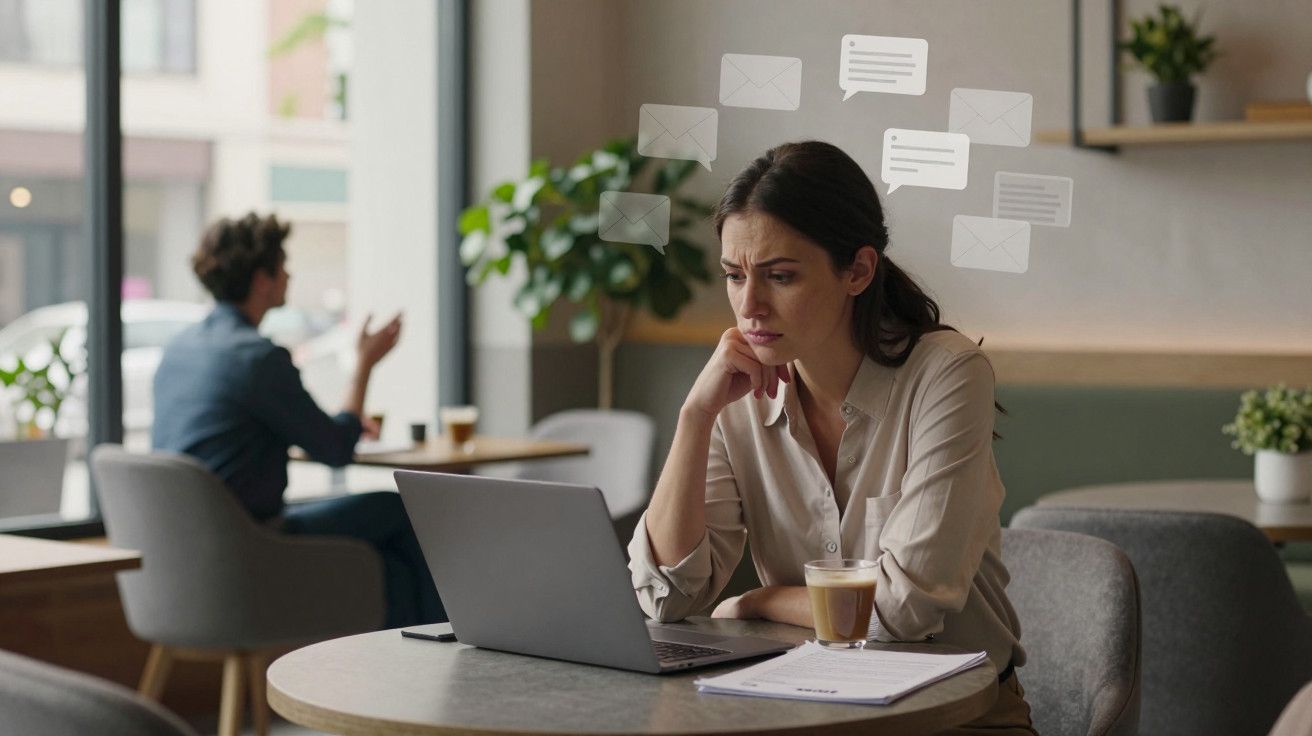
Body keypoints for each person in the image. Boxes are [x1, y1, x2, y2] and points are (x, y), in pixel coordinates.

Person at [628, 142, 1034, 733]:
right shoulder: (734, 392)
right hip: (804, 714)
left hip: (957, 720)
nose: (750, 306)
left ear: (859, 271)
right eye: (734, 277)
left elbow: (903, 610)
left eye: (781, 276)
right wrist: (695, 417)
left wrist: (759, 601)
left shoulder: (946, 375)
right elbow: (666, 598)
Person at [152, 212, 444, 628]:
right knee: (398, 509)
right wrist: (364, 364)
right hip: (252, 544)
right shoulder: (257, 358)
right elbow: (336, 449)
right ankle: (448, 657)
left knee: (394, 570)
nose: (289, 276)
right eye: (283, 266)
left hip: (189, 556)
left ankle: (407, 667)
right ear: (261, 280)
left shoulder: (181, 349)